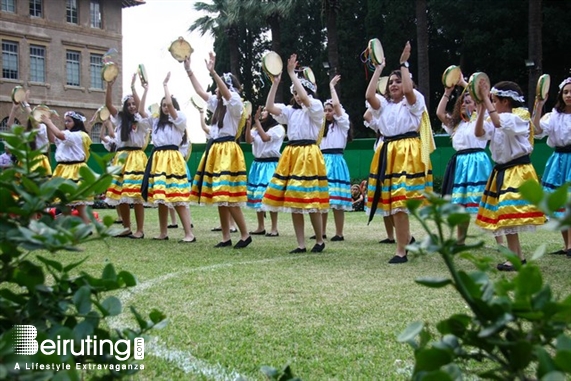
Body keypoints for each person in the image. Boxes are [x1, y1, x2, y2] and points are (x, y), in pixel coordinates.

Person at [364, 41, 433, 264]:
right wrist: (379, 68)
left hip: (407, 153)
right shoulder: (384, 105)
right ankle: (407, 239)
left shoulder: (414, 101)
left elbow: (410, 90)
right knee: (391, 204)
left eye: (398, 81)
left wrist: (404, 63)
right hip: (388, 153)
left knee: (401, 204)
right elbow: (369, 96)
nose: (394, 85)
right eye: (391, 82)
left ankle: (401, 250)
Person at [474, 80, 546, 271]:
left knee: (508, 215)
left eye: (495, 100)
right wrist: (481, 108)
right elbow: (479, 132)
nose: (493, 103)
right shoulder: (495, 117)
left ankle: (515, 258)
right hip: (502, 170)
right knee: (505, 216)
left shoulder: (518, 117)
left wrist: (485, 99)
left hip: (517, 171)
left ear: (506, 101)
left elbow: (499, 122)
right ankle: (517, 257)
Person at [262, 54, 329, 253]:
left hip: (308, 154)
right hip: (292, 154)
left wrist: (292, 74)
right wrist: (275, 84)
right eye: (296, 93)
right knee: (293, 201)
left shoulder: (315, 107)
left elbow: (308, 101)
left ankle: (319, 239)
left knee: (310, 201)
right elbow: (269, 107)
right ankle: (300, 244)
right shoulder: (291, 112)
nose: (299, 96)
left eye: (302, 92)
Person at [185, 53, 251, 249]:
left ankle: (245, 234)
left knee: (228, 196)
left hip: (228, 150)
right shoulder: (218, 104)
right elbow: (199, 90)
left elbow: (228, 94)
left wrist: (213, 72)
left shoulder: (235, 102)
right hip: (216, 149)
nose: (215, 89)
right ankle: (225, 237)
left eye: (219, 85)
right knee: (220, 198)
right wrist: (189, 70)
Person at [436, 75, 503, 246]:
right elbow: (439, 113)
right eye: (464, 101)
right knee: (461, 205)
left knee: (487, 202)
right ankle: (460, 241)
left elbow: (484, 100)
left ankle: (501, 242)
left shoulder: (482, 118)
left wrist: (465, 84)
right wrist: (447, 92)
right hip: (460, 164)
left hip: (478, 161)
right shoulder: (457, 124)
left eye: (470, 101)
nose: (467, 104)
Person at [139, 72, 196, 243]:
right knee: (161, 197)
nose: (165, 107)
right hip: (158, 159)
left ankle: (189, 233)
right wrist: (144, 89)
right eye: (163, 105)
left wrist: (165, 85)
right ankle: (163, 232)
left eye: (167, 104)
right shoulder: (156, 122)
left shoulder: (180, 120)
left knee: (177, 196)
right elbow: (141, 111)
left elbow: (171, 105)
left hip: (172, 159)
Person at [104, 74, 149, 239]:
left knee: (136, 196)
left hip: (136, 158)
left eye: (133, 104)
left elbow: (140, 108)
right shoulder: (120, 119)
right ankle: (126, 227)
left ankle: (140, 230)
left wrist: (133, 89)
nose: (131, 106)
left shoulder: (143, 120)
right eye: (128, 104)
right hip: (122, 158)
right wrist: (109, 85)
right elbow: (108, 104)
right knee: (120, 195)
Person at [533, 77, 571, 256]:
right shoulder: (554, 115)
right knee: (561, 203)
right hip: (559, 159)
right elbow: (537, 131)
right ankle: (567, 246)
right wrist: (539, 105)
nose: (569, 95)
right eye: (566, 92)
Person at [317, 74, 352, 241]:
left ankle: (339, 233)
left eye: (329, 110)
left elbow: (337, 106)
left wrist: (332, 87)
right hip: (322, 161)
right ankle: (321, 232)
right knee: (323, 199)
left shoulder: (342, 125)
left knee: (337, 201)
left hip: (336, 161)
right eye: (325, 110)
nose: (327, 113)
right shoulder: (320, 129)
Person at [42, 111, 93, 224]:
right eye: (65, 121)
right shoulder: (67, 134)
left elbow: (60, 135)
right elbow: (53, 138)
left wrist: (49, 122)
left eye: (69, 121)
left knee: (79, 202)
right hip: (63, 169)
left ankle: (85, 226)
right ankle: (67, 226)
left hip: (75, 168)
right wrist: (47, 124)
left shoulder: (79, 135)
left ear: (77, 122)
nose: (66, 123)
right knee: (64, 202)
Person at [245, 106, 285, 237]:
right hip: (258, 163)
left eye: (265, 111)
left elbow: (265, 138)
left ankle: (274, 228)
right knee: (257, 194)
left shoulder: (278, 129)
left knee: (269, 195)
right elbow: (248, 140)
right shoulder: (256, 128)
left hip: (270, 164)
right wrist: (249, 124)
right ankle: (260, 226)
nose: (262, 113)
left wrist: (256, 122)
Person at [364, 101, 395, 244]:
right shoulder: (380, 132)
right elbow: (367, 115)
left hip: (391, 164)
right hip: (379, 165)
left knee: (392, 201)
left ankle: (403, 234)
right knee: (382, 200)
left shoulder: (393, 133)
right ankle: (390, 236)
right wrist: (379, 103)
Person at [8, 91, 52, 177]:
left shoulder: (43, 128)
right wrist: (14, 109)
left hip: (39, 161)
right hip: (25, 161)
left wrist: (25, 103)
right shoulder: (26, 132)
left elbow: (34, 122)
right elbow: (10, 125)